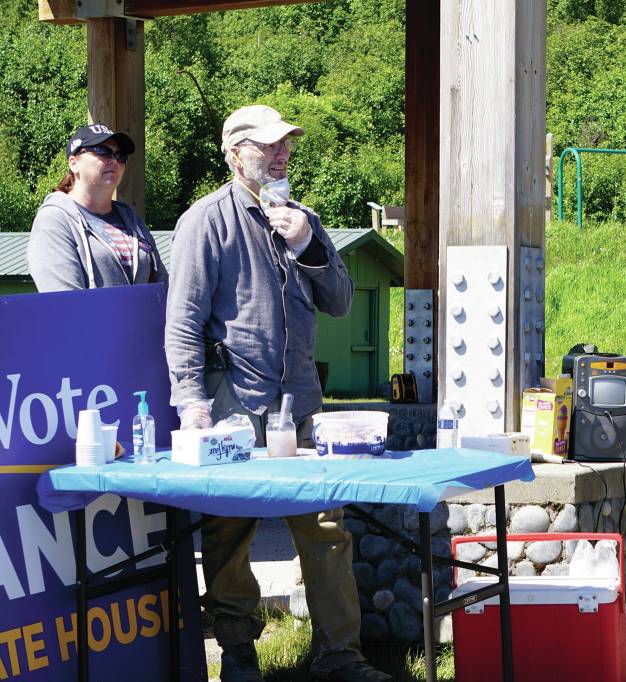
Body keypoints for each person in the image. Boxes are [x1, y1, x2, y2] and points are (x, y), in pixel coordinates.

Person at [165, 105, 391, 682]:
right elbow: (182, 319)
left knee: (324, 529)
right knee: (228, 531)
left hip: (300, 402)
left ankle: (340, 656)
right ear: (234, 154)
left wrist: (312, 245)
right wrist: (191, 402)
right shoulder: (205, 221)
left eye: (286, 144)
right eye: (268, 146)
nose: (281, 153)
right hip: (233, 404)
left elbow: (341, 301)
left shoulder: (302, 216)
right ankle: (239, 653)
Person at [27, 123, 166, 291]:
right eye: (102, 151)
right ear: (74, 163)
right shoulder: (54, 221)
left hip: (145, 318)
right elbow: (63, 303)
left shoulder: (132, 221)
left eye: (120, 156)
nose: (114, 160)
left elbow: (164, 288)